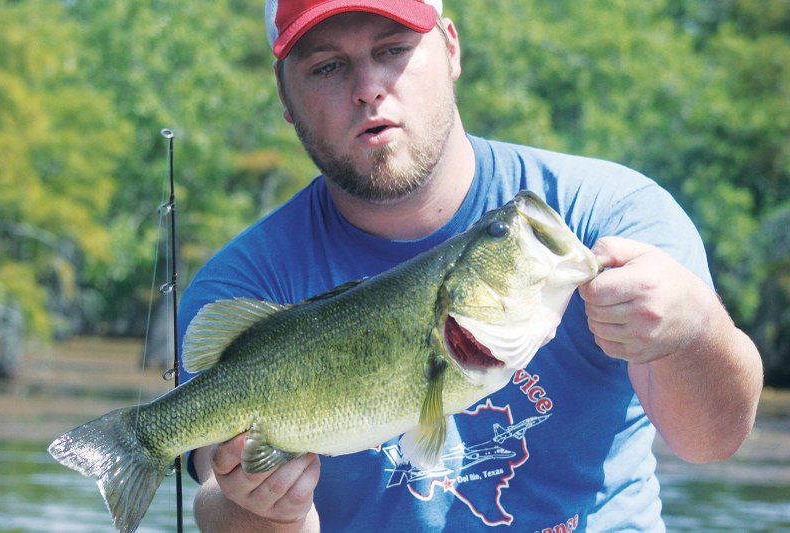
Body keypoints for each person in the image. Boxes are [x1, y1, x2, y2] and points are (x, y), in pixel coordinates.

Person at [177, 1, 763, 531]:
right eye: (327, 66)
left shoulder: (607, 213)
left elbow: (711, 441)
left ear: (451, 47)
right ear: (284, 97)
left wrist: (694, 330)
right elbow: (218, 494)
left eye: (393, 50)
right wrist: (261, 510)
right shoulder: (243, 287)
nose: (368, 88)